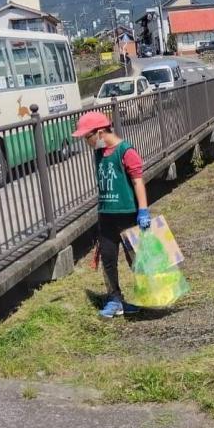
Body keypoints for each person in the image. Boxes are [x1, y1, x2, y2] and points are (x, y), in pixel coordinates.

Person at [72, 111, 151, 318]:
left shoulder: (126, 151)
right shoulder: (99, 153)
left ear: (99, 133)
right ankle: (114, 299)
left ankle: (148, 295)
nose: (86, 142)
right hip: (106, 215)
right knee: (108, 258)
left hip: (127, 215)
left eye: (86, 137)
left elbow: (137, 181)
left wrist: (142, 210)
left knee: (136, 259)